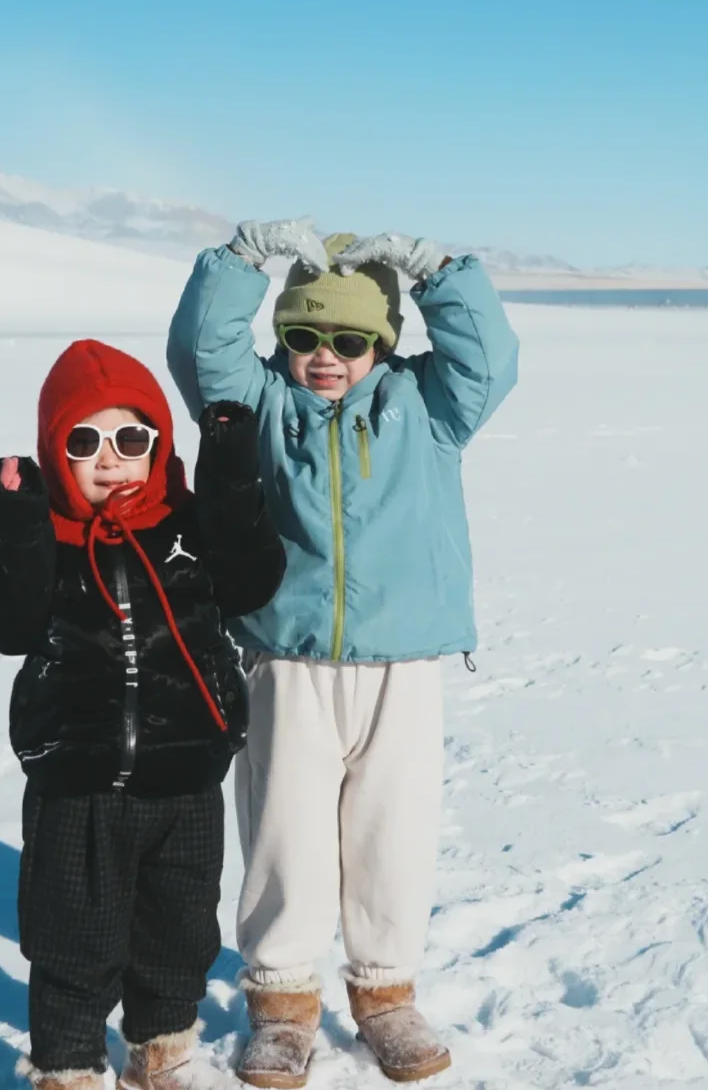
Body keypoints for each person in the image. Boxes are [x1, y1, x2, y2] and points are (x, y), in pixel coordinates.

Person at [167, 221, 519, 1086]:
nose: (327, 356)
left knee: (391, 833)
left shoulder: (427, 409)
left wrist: (440, 272)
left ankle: (386, 995)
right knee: (285, 835)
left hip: (401, 661)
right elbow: (203, 354)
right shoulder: (261, 408)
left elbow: (489, 360)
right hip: (286, 659)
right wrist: (240, 262)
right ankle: (282, 1003)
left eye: (352, 339)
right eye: (304, 336)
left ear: (384, 342)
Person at [0, 339, 285, 1090]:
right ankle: (69, 1063)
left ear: (157, 444)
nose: (110, 459)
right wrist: (17, 532)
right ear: (55, 450)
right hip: (75, 786)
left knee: (176, 935)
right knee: (73, 939)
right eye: (84, 441)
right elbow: (0, 626)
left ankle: (162, 1052)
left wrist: (233, 476)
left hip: (185, 781)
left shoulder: (187, 525)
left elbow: (252, 578)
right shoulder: (48, 538)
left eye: (130, 438)